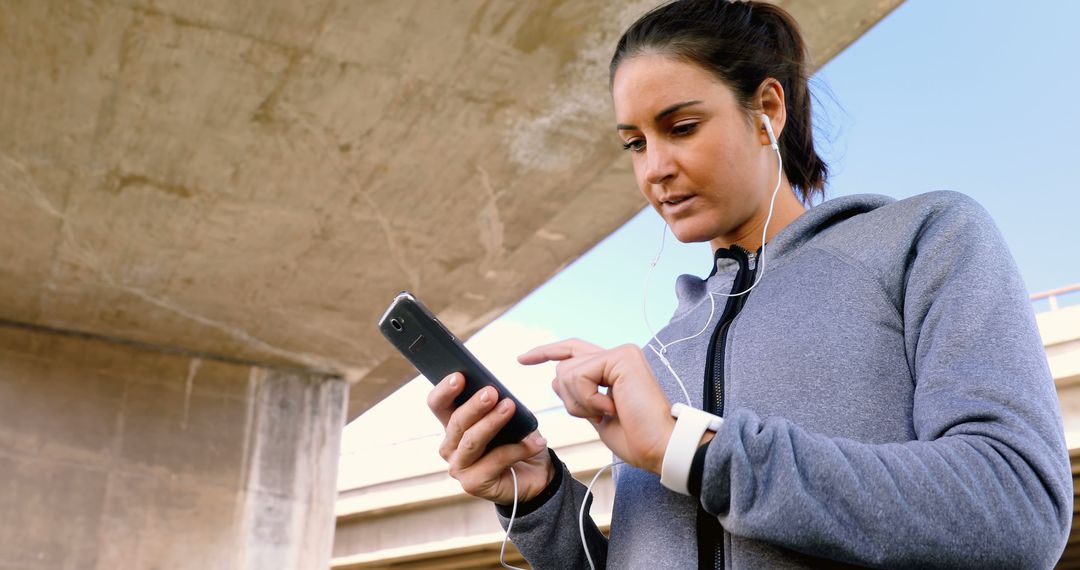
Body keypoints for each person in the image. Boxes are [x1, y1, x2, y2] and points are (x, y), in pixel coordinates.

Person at [426, 0, 1072, 567]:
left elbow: (1018, 509)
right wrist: (538, 500)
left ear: (767, 108)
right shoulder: (660, 354)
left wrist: (694, 451)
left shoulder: (924, 239)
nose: (655, 168)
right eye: (634, 143)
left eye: (680, 127)